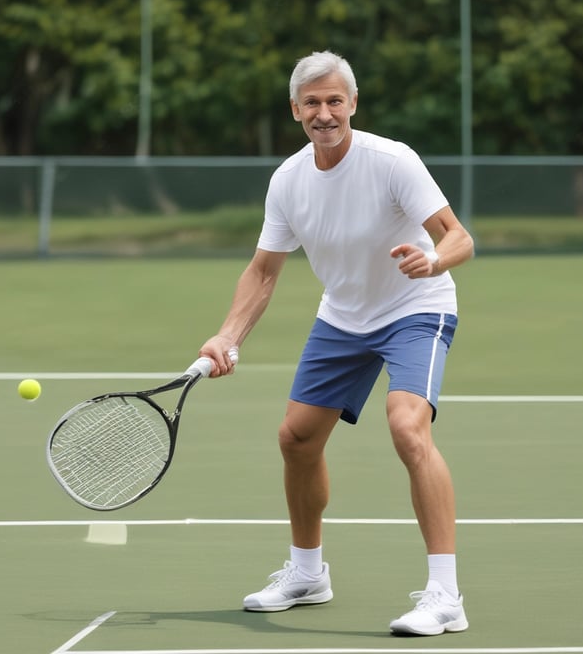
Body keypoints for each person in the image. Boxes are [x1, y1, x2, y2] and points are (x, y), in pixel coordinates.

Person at [199, 50, 474, 636]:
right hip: (344, 317)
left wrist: (432, 261)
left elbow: (458, 238)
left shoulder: (393, 160)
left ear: (352, 104)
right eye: (312, 103)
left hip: (415, 307)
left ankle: (445, 596)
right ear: (295, 110)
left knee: (406, 425)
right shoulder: (288, 181)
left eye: (334, 101)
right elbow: (264, 271)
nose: (324, 113)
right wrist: (229, 334)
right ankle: (307, 574)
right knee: (296, 438)